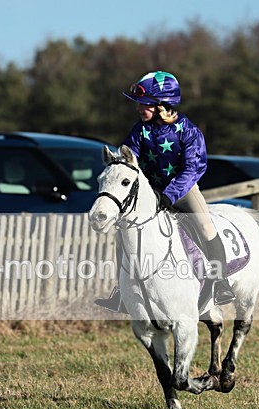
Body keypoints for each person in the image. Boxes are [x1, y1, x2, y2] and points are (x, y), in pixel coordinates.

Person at [95, 71, 235, 312]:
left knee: (205, 226)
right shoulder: (139, 131)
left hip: (182, 189)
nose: (139, 108)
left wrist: (168, 195)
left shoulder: (188, 131)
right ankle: (121, 290)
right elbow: (130, 160)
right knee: (124, 230)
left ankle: (221, 283)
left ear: (162, 105)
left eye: (145, 103)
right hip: (151, 190)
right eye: (139, 103)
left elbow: (193, 168)